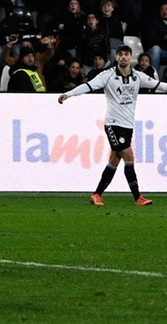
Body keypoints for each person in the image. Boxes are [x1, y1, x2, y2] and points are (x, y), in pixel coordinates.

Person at [59, 45, 166, 207]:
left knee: (114, 160)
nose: (123, 57)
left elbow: (160, 85)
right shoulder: (107, 75)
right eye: (120, 55)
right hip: (113, 124)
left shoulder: (138, 77)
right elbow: (88, 86)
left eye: (126, 55)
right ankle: (138, 197)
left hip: (128, 125)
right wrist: (69, 94)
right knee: (128, 156)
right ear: (116, 57)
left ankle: (96, 194)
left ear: (131, 57)